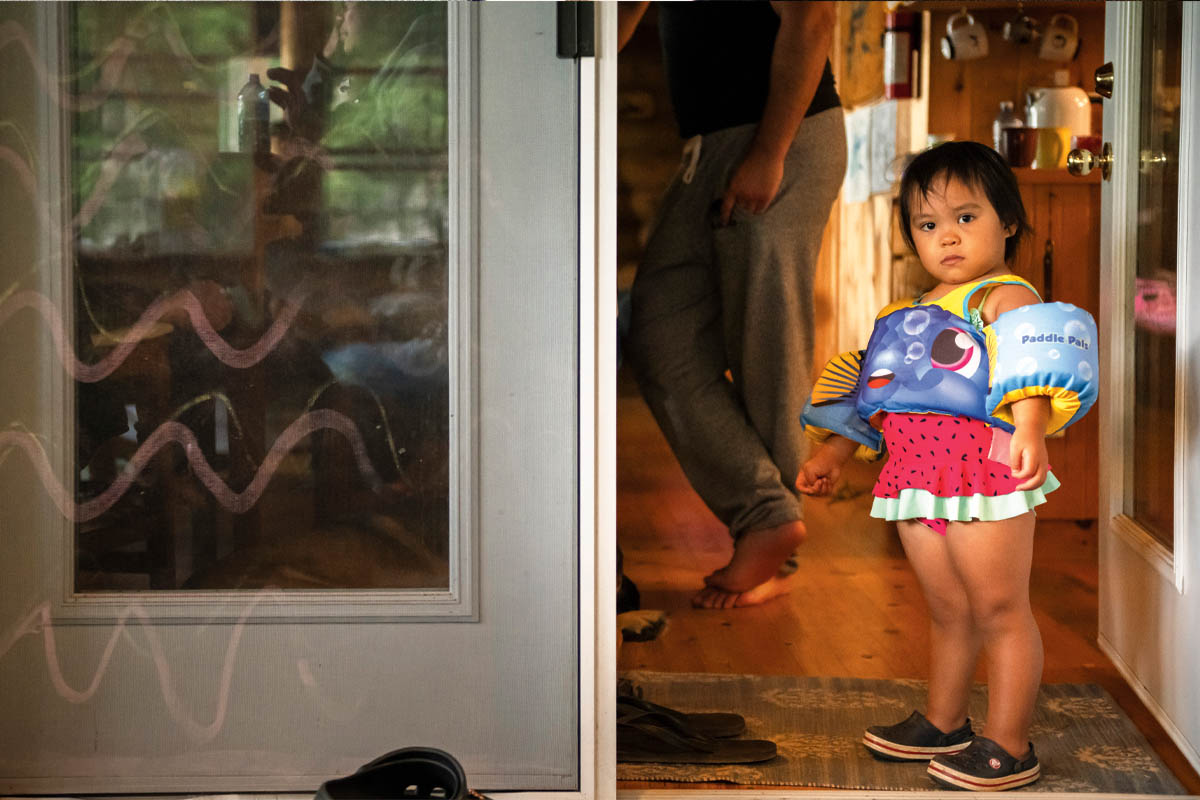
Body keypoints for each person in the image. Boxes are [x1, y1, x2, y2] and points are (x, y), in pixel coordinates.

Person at [797, 141, 1098, 791]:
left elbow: (1031, 369)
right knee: (948, 609)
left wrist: (1030, 430)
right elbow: (871, 391)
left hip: (984, 475)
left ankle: (1011, 744)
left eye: (967, 217)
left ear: (1008, 222)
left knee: (998, 607)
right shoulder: (902, 315)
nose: (948, 237)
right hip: (912, 477)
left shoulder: (1005, 297)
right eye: (928, 224)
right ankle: (944, 721)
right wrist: (831, 452)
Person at [618, 1, 846, 609]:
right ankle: (768, 517)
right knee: (660, 335)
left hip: (782, 136)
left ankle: (772, 539)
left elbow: (813, 18)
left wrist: (770, 152)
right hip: (706, 146)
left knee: (767, 350)